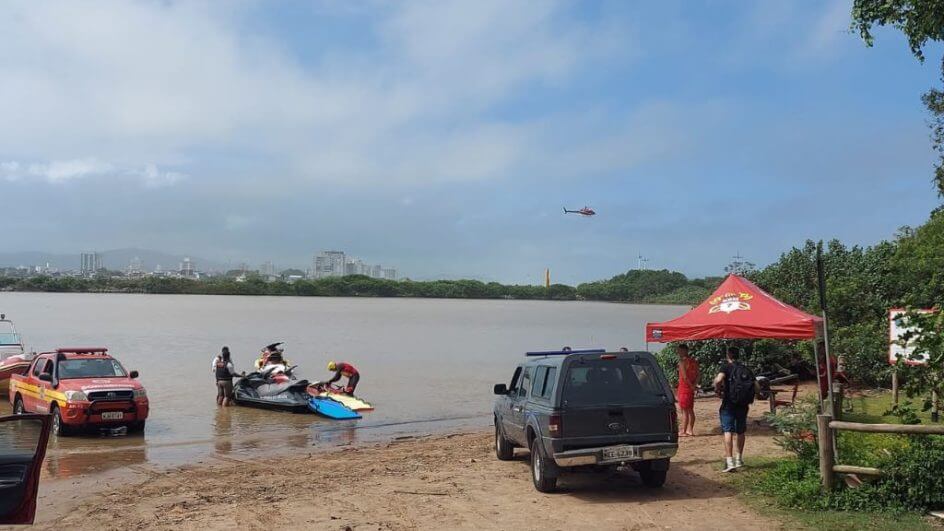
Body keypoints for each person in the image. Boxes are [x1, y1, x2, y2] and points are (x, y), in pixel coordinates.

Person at [713, 346, 757, 472]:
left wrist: (717, 388)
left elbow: (719, 379)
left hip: (729, 403)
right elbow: (757, 386)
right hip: (743, 405)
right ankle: (739, 459)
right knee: (740, 431)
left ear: (728, 355)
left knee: (728, 431)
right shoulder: (746, 369)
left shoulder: (726, 367)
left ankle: (729, 461)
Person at [676, 344, 700, 437]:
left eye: (679, 350)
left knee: (684, 411)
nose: (678, 352)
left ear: (684, 351)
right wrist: (694, 386)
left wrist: (691, 386)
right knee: (690, 410)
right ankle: (690, 430)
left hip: (684, 388)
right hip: (690, 389)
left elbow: (685, 377)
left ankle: (684, 431)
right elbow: (698, 375)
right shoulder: (694, 361)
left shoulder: (682, 362)